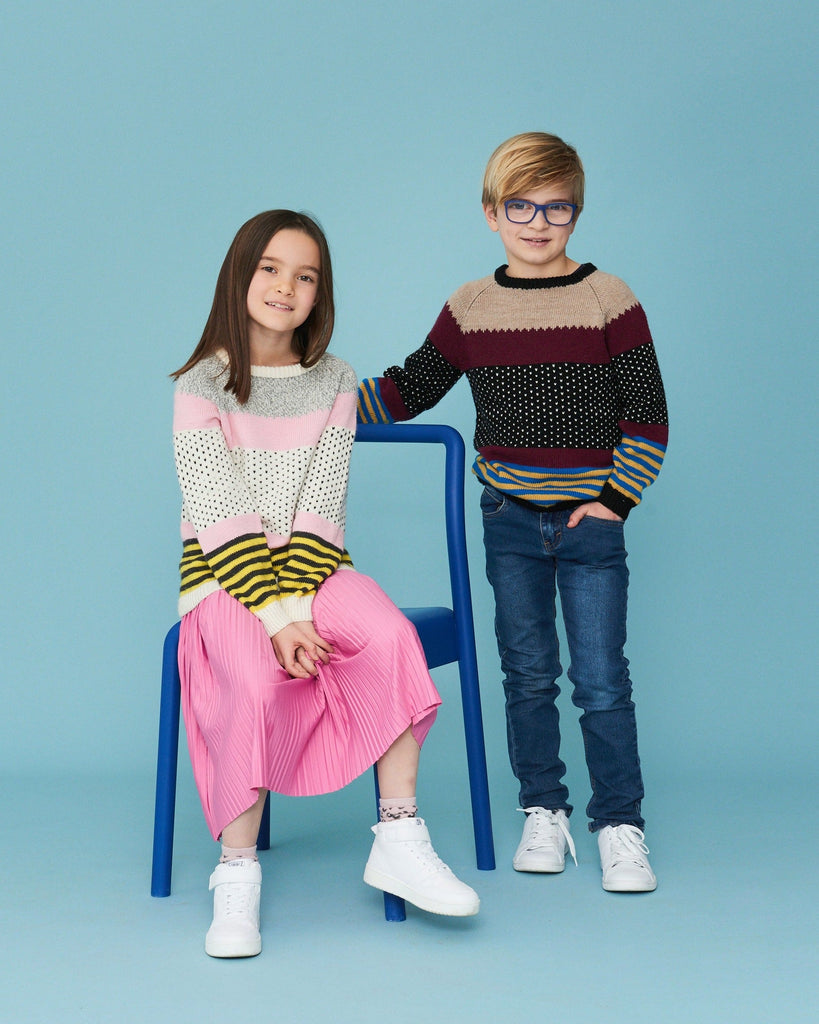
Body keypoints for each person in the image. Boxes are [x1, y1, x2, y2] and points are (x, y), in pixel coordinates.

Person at [358, 132, 669, 893]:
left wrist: (614, 501)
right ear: (492, 213)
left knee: (601, 677)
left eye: (556, 208)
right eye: (521, 207)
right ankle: (543, 810)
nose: (538, 223)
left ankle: (618, 824)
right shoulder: (471, 306)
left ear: (576, 214)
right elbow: (410, 388)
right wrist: (313, 401)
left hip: (589, 524)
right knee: (527, 674)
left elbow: (649, 415)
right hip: (509, 520)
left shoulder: (608, 297)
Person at [171, 210, 479, 959]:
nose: (286, 287)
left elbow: (321, 506)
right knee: (252, 675)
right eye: (271, 268)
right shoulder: (200, 384)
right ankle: (236, 871)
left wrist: (303, 601)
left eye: (305, 276)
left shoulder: (335, 379)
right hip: (224, 578)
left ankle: (399, 836)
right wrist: (279, 618)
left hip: (316, 566)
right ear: (240, 275)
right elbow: (220, 516)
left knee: (390, 635)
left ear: (320, 293)